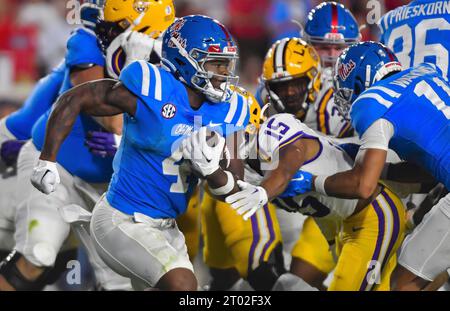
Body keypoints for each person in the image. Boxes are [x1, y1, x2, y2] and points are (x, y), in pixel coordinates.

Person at [30, 15, 251, 291]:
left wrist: (211, 171)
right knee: (183, 285)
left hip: (167, 228)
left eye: (226, 63)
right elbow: (74, 98)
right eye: (214, 63)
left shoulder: (232, 109)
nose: (223, 73)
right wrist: (47, 160)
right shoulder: (152, 89)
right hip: (121, 218)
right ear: (184, 59)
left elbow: (234, 189)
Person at [0, 0, 175, 291]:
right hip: (58, 168)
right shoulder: (87, 43)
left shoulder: (170, 67)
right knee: (38, 255)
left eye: (114, 27)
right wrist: (134, 68)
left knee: (122, 282)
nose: (103, 32)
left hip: (110, 186)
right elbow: (110, 117)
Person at [226, 39, 407, 291]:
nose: (289, 93)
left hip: (371, 212)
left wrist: (267, 189)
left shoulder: (274, 127)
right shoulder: (246, 166)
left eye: (225, 129)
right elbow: (229, 187)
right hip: (339, 224)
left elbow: (294, 153)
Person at [279, 41, 449, 290]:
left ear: (359, 80)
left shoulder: (371, 101)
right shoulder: (426, 72)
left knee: (403, 283)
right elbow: (429, 173)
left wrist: (311, 181)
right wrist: (384, 169)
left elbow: (363, 186)